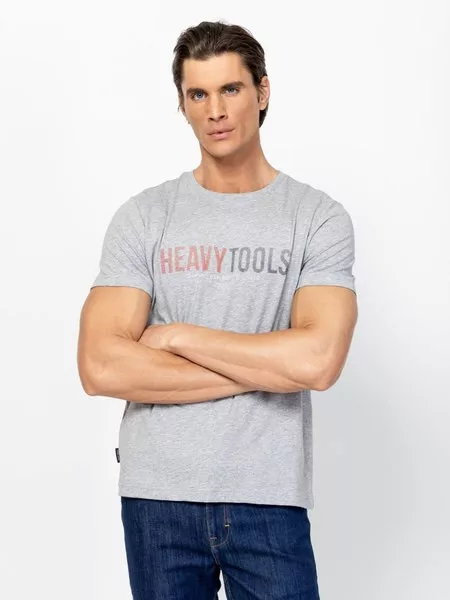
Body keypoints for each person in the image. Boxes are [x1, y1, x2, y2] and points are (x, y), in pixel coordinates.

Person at [77, 19, 358, 600]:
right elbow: (101, 367)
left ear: (262, 91)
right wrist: (268, 368)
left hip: (268, 494)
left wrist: (178, 335)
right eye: (198, 94)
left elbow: (317, 362)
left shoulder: (316, 218)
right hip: (157, 497)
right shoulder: (145, 216)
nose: (216, 111)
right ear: (182, 105)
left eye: (231, 89)